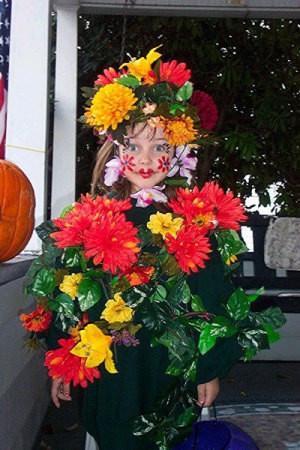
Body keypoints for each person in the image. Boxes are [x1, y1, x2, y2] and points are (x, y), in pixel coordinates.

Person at [46, 47, 246, 449]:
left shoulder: (194, 221)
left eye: (159, 147)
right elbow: (66, 291)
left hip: (166, 362)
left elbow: (212, 298)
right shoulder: (88, 218)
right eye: (133, 146)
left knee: (164, 435)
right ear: (115, 149)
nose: (145, 159)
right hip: (110, 359)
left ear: (178, 154)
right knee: (113, 432)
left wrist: (208, 368)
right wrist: (64, 360)